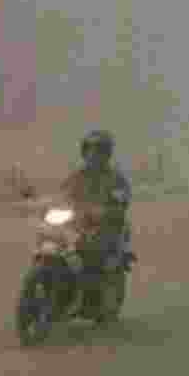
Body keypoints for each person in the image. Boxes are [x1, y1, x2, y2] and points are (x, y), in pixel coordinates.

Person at [58, 130, 133, 307]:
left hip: (105, 227)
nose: (94, 154)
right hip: (78, 225)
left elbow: (121, 201)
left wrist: (106, 211)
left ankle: (99, 294)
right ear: (84, 152)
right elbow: (61, 196)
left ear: (106, 154)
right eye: (90, 150)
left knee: (97, 254)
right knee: (54, 242)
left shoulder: (116, 178)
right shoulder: (75, 177)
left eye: (99, 150)